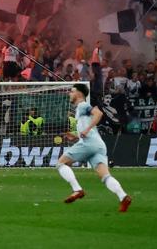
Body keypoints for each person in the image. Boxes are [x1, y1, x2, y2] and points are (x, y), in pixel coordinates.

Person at [56, 83, 132, 212]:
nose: (69, 93)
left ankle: (77, 190)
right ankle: (123, 196)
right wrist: (75, 135)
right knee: (105, 176)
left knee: (60, 163)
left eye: (72, 91)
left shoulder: (82, 105)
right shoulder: (80, 110)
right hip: (98, 145)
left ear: (79, 93)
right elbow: (88, 127)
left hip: (89, 143)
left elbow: (99, 114)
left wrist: (86, 130)